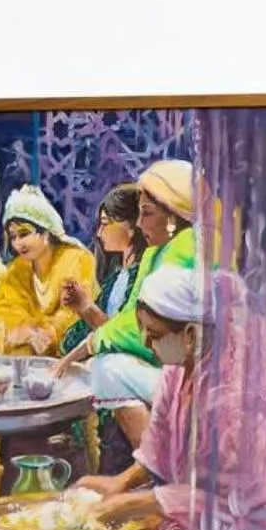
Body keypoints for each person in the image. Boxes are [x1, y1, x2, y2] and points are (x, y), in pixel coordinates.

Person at [83, 263, 266, 530]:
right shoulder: (178, 369)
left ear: (190, 334)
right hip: (200, 519)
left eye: (154, 334)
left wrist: (137, 504)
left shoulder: (236, 394)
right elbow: (158, 442)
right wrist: (119, 484)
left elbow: (229, 500)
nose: (144, 342)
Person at [58, 159, 195, 447]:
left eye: (146, 214)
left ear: (172, 216)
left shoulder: (186, 248)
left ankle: (156, 461)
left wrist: (86, 347)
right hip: (166, 368)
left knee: (106, 369)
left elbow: (137, 328)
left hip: (190, 376)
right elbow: (129, 320)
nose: (140, 223)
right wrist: (71, 354)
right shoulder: (152, 255)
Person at [0, 187, 95, 355]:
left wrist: (44, 333)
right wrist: (25, 332)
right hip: (29, 351)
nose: (18, 244)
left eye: (24, 234)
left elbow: (73, 314)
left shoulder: (76, 259)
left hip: (74, 351)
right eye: (13, 236)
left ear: (46, 231)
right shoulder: (18, 268)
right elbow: (6, 311)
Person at [58, 185, 142, 340]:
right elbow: (73, 340)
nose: (99, 233)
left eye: (105, 223)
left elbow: (123, 339)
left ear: (131, 226)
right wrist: (80, 306)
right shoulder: (116, 277)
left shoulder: (142, 278)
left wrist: (85, 306)